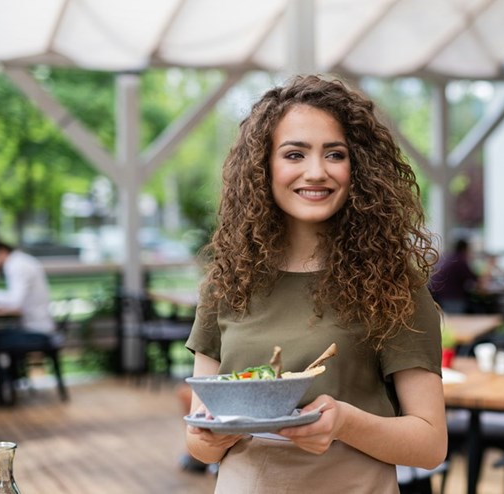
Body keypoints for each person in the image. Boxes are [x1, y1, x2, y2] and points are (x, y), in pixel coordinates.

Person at [184, 75, 447, 493]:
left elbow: (430, 444)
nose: (317, 172)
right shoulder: (227, 282)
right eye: (294, 154)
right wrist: (210, 437)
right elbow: (200, 445)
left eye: (335, 154)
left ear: (357, 167)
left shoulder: (392, 283)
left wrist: (344, 422)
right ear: (263, 167)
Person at [0, 238, 57, 401]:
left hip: (36, 331)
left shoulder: (16, 265)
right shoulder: (20, 262)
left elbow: (15, 302)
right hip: (33, 326)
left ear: (2, 252)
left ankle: (4, 384)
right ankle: (3, 384)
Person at [429, 238, 478, 313]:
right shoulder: (460, 260)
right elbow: (474, 279)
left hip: (437, 293)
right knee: (456, 319)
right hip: (451, 296)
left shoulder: (447, 257)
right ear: (465, 249)